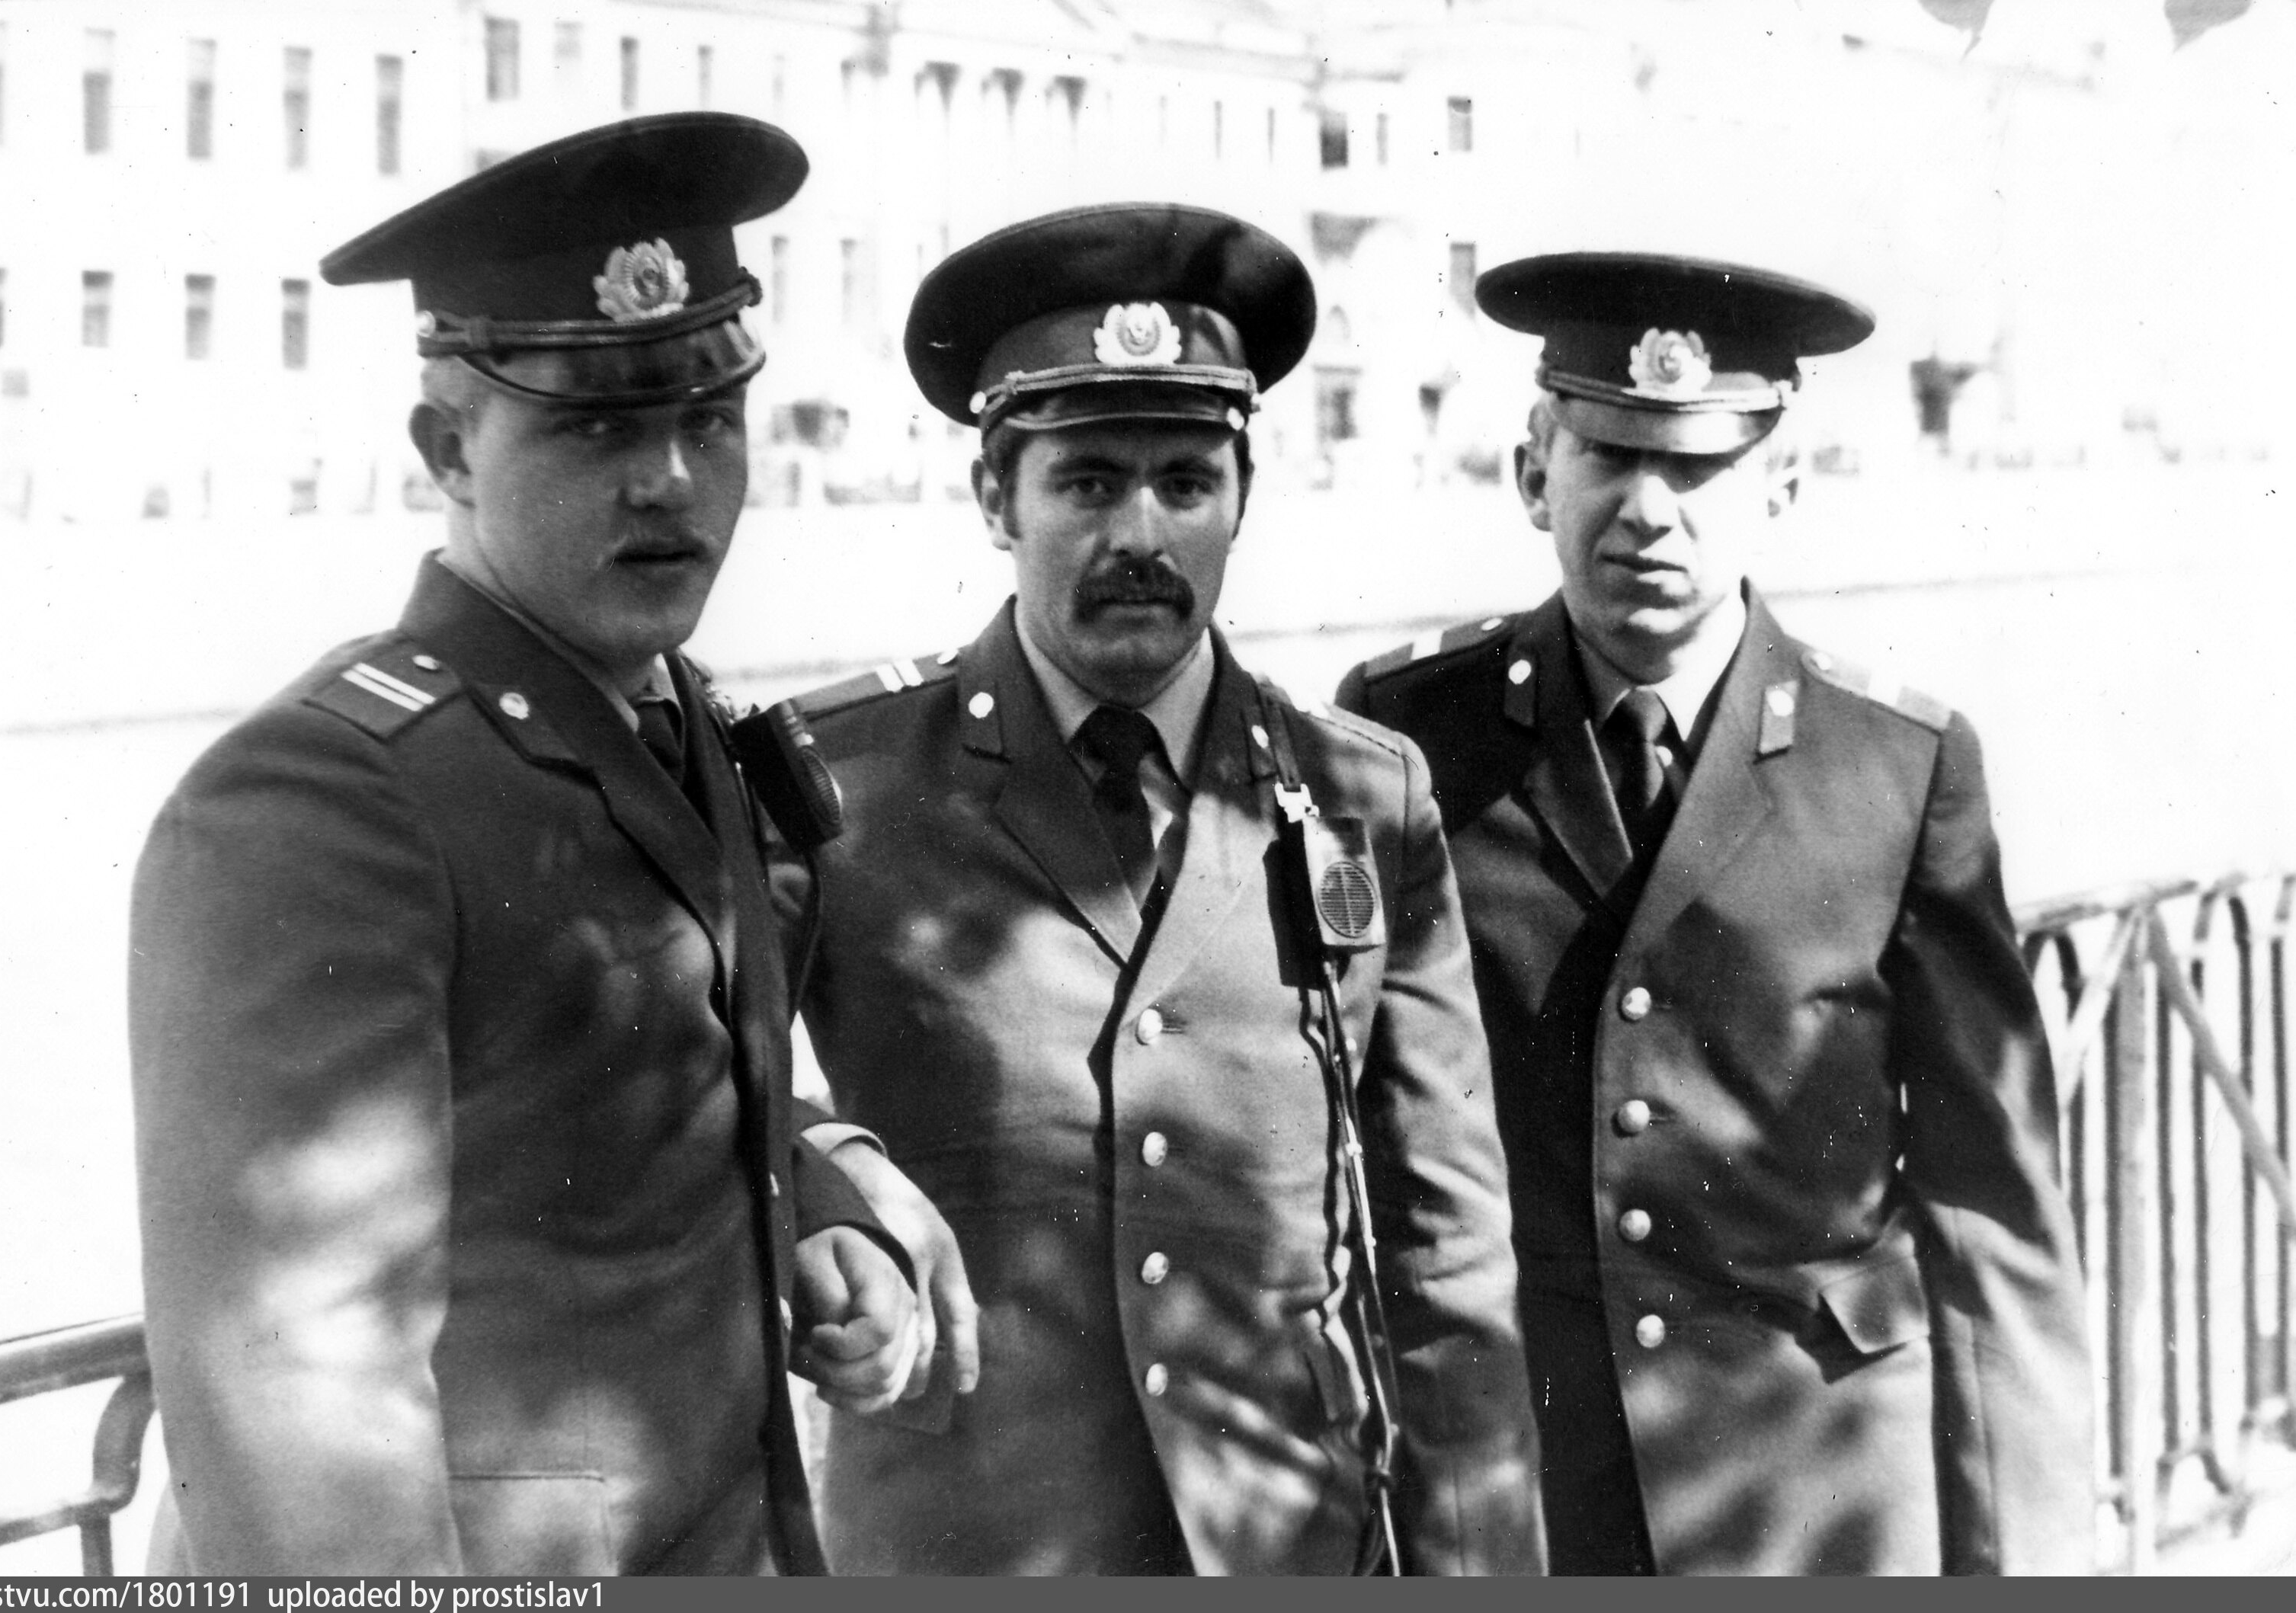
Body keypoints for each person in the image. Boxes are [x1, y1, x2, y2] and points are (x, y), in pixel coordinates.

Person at [128, 113, 947, 1576]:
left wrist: (821, 1177)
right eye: (597, 428)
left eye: (709, 418)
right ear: (449, 447)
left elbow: (626, 1086)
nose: (671, 479)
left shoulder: (677, 721)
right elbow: (299, 1406)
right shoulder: (323, 803)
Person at [769, 203, 1545, 1575]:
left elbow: (1449, 1249)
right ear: (996, 500)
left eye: (1186, 483)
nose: (1141, 533)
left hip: (1291, 1541)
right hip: (971, 1545)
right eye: (1086, 483)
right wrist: (828, 1172)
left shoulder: (1364, 793)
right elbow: (675, 1089)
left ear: (1243, 497)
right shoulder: (841, 789)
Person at [1336, 251, 2096, 1574]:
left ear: (1781, 485)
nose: (1648, 510)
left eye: (1697, 468)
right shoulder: (1411, 740)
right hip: (1530, 1492)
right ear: (1533, 472)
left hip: (1818, 1497)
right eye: (1608, 454)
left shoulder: (1898, 767)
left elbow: (1993, 1210)